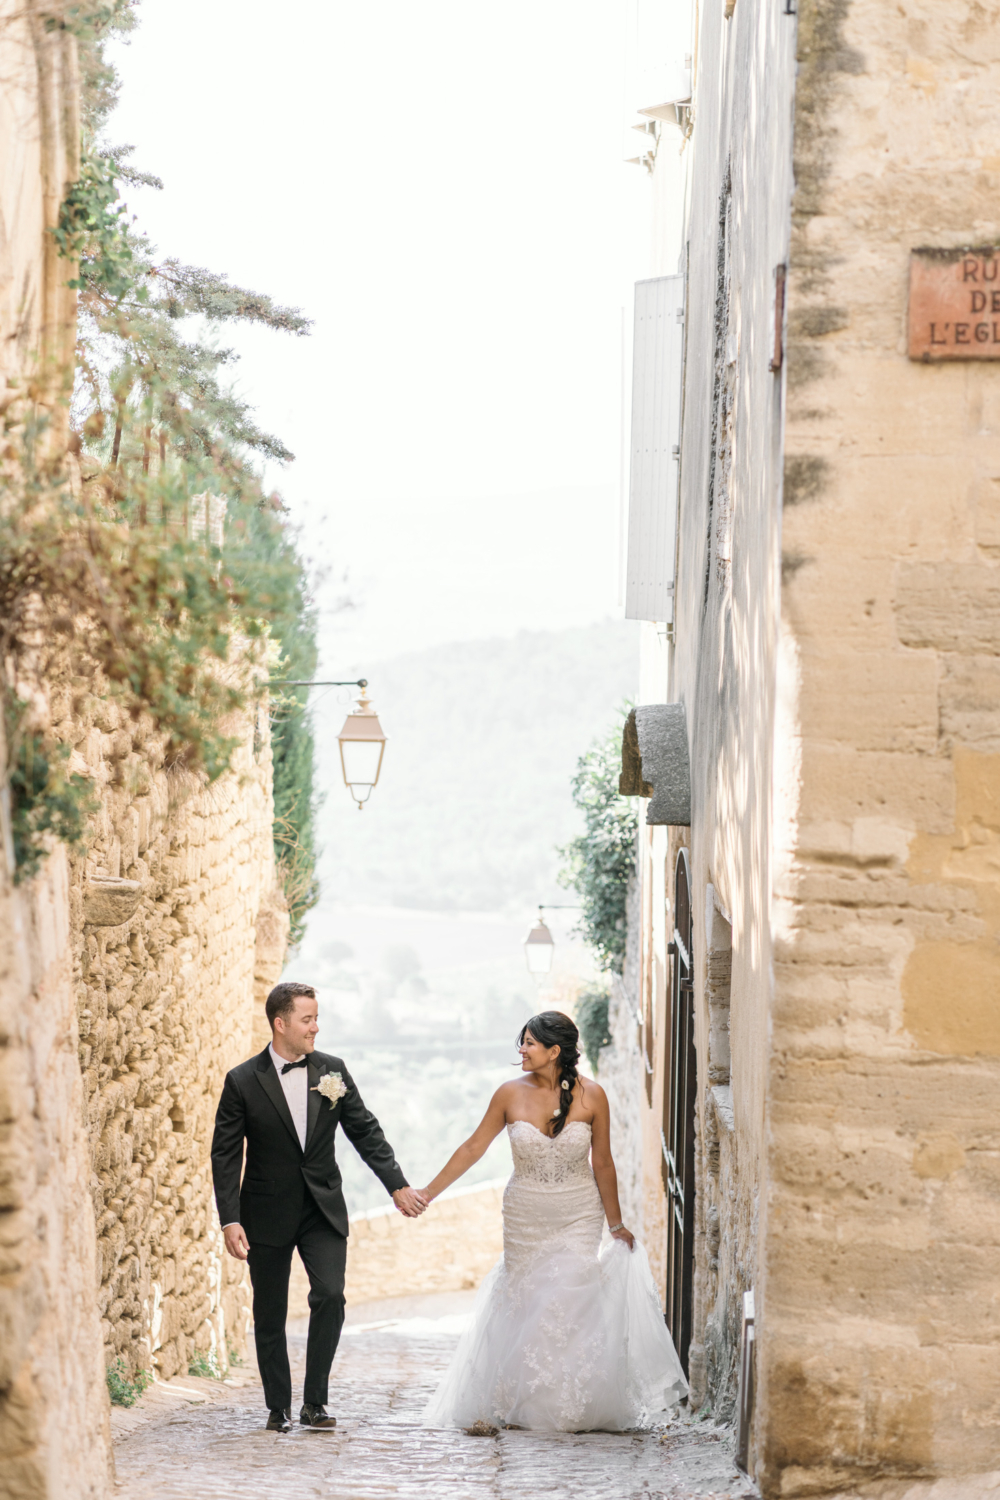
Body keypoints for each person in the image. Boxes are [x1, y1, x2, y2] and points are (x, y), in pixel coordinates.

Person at [420, 1010, 687, 1432]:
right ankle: (528, 1401)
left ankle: (573, 1402)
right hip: (526, 1214)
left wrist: (615, 1225)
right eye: (521, 1042)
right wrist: (428, 1193)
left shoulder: (594, 1096)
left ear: (554, 1051)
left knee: (570, 1293)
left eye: (529, 1043)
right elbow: (474, 1147)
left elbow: (602, 1163)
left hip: (579, 1212)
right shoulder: (508, 1094)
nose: (521, 1050)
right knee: (529, 1300)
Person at [211, 981, 427, 1432]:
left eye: (316, 1017)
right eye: (307, 1019)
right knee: (269, 1311)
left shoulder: (333, 1070)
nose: (315, 1027)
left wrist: (397, 1185)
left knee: (330, 1296)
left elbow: (365, 1131)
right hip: (265, 1212)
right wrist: (230, 1218)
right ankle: (278, 1408)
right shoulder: (242, 1082)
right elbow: (226, 1155)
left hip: (323, 1208)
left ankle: (315, 1402)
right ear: (280, 1023)